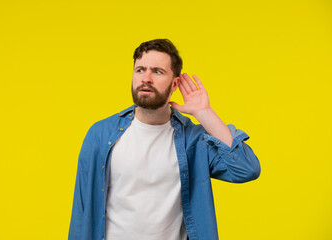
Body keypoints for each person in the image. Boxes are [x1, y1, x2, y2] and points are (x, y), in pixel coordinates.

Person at [68, 39, 261, 240]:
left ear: (175, 83)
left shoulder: (194, 140)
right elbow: (82, 212)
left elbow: (247, 169)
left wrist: (205, 113)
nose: (146, 78)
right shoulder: (100, 134)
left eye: (157, 71)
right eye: (140, 70)